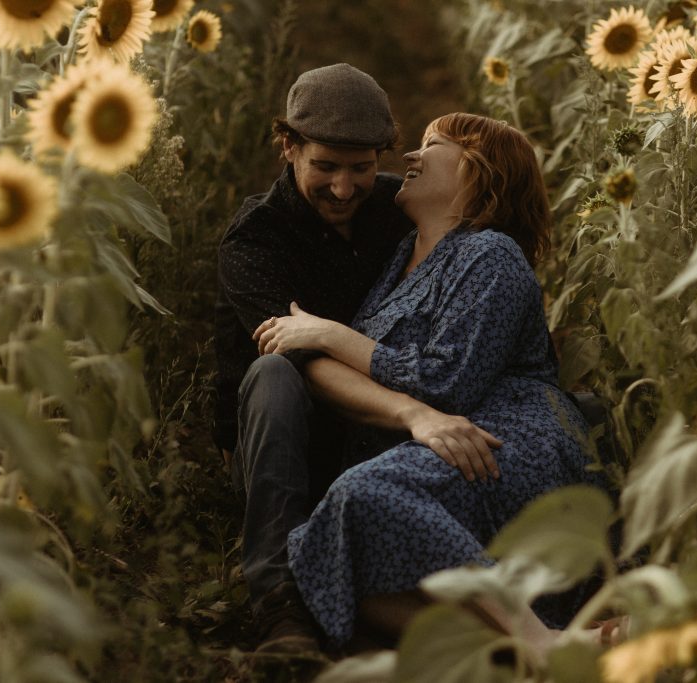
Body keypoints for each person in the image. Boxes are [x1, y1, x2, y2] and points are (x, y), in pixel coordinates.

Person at [253, 113, 609, 649]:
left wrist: (329, 334)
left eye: (431, 144)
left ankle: (537, 639)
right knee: (338, 571)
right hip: (438, 442)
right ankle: (530, 648)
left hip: (502, 439)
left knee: (363, 493)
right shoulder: (403, 255)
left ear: (477, 171)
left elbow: (446, 383)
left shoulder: (491, 253)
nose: (411, 158)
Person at [214, 66, 501, 653]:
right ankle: (277, 598)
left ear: (382, 158)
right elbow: (308, 366)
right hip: (289, 437)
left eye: (361, 168)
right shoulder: (256, 241)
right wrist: (414, 414)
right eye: (325, 166)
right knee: (273, 372)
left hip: (380, 435)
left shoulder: (398, 209)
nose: (344, 189)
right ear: (288, 147)